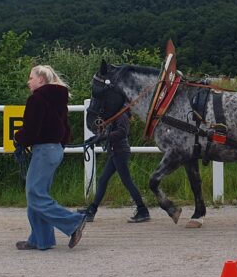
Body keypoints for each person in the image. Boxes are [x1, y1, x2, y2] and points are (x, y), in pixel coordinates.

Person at [13, 64, 88, 250]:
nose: (28, 81)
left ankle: (74, 222)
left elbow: (31, 130)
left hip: (44, 151)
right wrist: (58, 145)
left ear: (41, 79)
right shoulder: (58, 99)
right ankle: (40, 240)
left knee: (34, 195)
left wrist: (18, 138)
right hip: (55, 150)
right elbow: (66, 128)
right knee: (39, 194)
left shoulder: (36, 100)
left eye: (31, 77)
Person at [81, 111, 150, 223]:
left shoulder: (121, 115)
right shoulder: (116, 114)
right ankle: (92, 210)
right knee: (103, 180)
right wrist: (94, 139)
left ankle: (142, 210)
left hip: (120, 152)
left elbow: (122, 132)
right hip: (115, 152)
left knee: (127, 181)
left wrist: (101, 138)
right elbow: (110, 133)